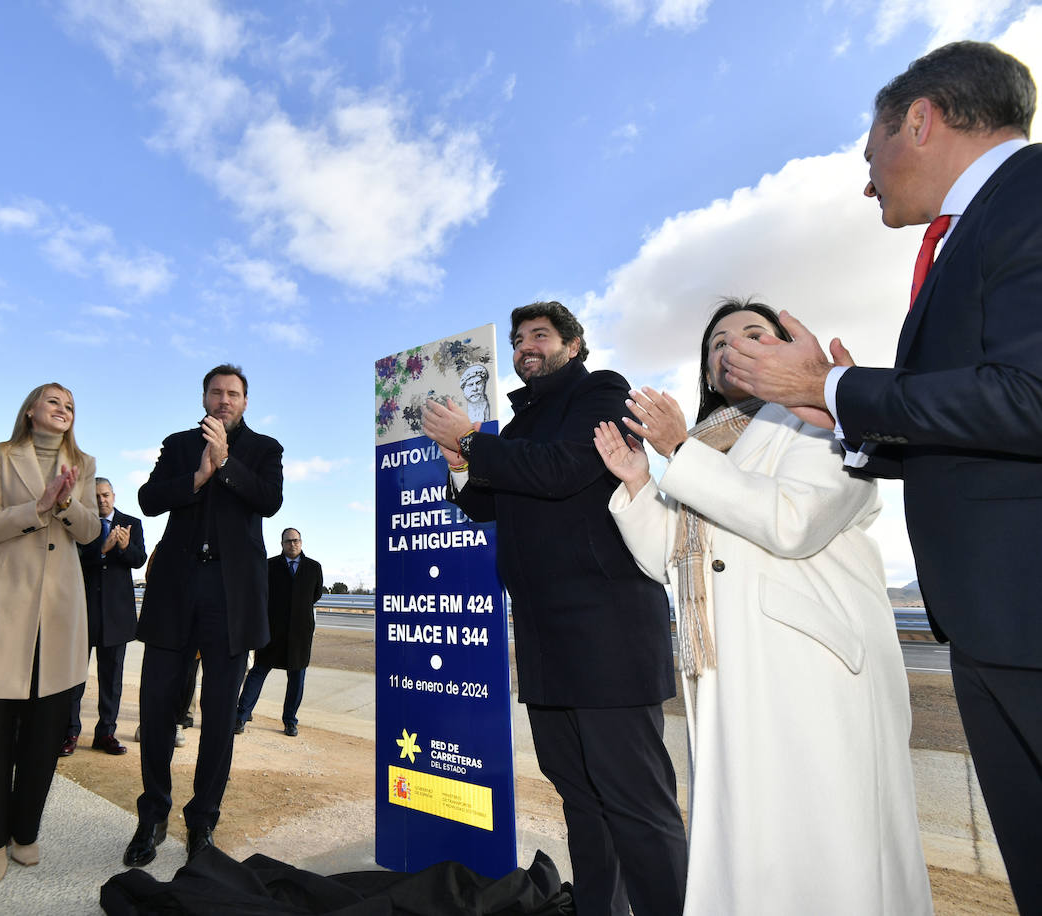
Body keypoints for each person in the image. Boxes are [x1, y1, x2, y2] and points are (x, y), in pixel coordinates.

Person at [720, 41, 1042, 912]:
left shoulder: (1030, 200)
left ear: (921, 120)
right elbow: (982, 418)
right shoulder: (975, 230)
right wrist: (848, 418)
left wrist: (829, 386)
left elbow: (1030, 396)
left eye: (871, 157)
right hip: (991, 624)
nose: (868, 184)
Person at [596, 299, 932, 914]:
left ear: (785, 350)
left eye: (754, 333)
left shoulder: (820, 420)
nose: (733, 347)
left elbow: (792, 522)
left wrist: (680, 455)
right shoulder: (702, 447)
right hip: (734, 669)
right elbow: (667, 559)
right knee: (753, 846)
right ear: (707, 372)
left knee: (826, 841)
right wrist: (641, 482)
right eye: (718, 343)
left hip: (809, 667)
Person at [422, 303, 686, 916]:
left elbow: (565, 471)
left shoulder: (603, 392)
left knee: (637, 809)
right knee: (581, 803)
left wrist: (470, 440)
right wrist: (463, 468)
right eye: (517, 340)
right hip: (542, 640)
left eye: (539, 335)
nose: (524, 347)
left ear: (573, 344)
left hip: (608, 635)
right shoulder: (517, 427)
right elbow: (492, 507)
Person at [125, 364, 283, 867]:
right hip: (175, 589)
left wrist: (227, 462)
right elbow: (148, 501)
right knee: (156, 708)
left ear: (245, 401)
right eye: (215, 392)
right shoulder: (176, 444)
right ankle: (152, 816)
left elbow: (270, 501)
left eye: (232, 394)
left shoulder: (265, 449)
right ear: (203, 397)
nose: (223, 400)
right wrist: (197, 475)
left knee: (218, 716)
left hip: (231, 597)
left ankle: (202, 822)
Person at [0, 383, 99, 883]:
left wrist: (68, 503)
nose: (63, 409)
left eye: (70, 404)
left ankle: (24, 831)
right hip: (4, 602)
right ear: (31, 409)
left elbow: (90, 531)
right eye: (53, 401)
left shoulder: (84, 461)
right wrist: (37, 507)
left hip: (58, 610)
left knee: (45, 730)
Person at [64, 477, 146, 757]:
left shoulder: (131, 521)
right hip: (83, 612)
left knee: (112, 679)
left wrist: (123, 547)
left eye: (106, 494)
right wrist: (102, 550)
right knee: (75, 677)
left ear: (114, 494)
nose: (101, 500)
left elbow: (139, 559)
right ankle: (70, 732)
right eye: (96, 496)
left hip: (117, 614)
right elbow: (72, 560)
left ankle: (106, 733)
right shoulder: (83, 523)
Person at [234, 528, 323, 737]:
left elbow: (315, 594)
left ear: (301, 542)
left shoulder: (313, 567)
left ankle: (290, 721)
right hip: (272, 631)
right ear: (282, 544)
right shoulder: (269, 566)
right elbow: (261, 593)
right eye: (288, 541)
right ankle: (241, 716)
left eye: (296, 540)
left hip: (300, 633)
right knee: (257, 673)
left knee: (297, 679)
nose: (293, 544)